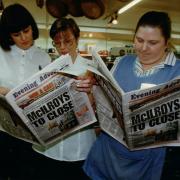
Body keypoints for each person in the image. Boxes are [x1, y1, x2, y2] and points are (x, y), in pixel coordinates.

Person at [83, 11, 180, 180]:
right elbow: (102, 104)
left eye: (153, 43)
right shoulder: (122, 62)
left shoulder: (177, 71)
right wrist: (92, 90)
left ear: (166, 43)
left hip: (145, 163)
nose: (143, 48)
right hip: (107, 155)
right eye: (139, 40)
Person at [32, 17, 96, 179]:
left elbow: (102, 110)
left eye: (68, 42)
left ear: (77, 38)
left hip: (79, 149)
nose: (63, 48)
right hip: (50, 148)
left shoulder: (92, 69)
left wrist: (90, 93)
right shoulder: (47, 69)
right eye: (57, 43)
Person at [0, 3, 51, 179]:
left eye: (27, 30)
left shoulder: (43, 57)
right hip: (3, 133)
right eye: (16, 34)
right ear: (8, 35)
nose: (23, 38)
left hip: (33, 137)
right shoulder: (1, 54)